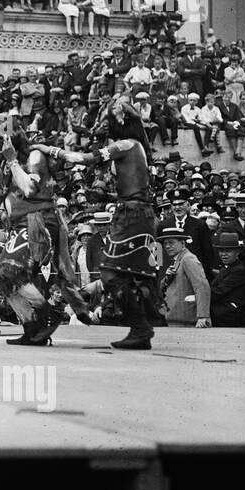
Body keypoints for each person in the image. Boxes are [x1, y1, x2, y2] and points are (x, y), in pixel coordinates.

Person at [35, 98, 159, 350]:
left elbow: (86, 158)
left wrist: (50, 149)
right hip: (134, 211)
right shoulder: (137, 146)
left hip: (133, 213)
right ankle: (141, 327)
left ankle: (141, 327)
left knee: (111, 273)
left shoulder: (126, 144)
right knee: (128, 274)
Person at [0, 116, 81, 346]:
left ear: (12, 135)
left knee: (9, 270)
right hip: (19, 224)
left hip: (39, 220)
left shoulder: (34, 155)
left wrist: (12, 161)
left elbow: (29, 188)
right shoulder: (5, 164)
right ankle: (32, 328)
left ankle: (49, 314)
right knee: (4, 278)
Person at [157, 226, 211, 327]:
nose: (168, 246)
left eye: (171, 242)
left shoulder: (188, 259)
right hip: (177, 318)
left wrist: (202, 316)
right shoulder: (178, 259)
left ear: (182, 243)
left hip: (187, 321)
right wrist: (167, 279)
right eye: (165, 243)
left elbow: (202, 286)